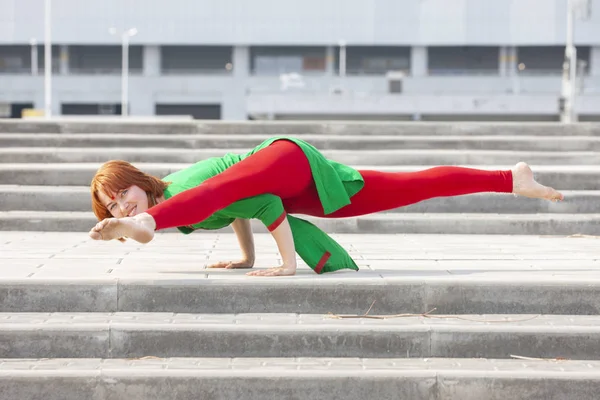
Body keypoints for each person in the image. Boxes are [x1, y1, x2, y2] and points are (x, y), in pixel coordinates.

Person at [89, 136, 563, 277]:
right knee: (411, 186)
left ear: (138, 183)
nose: (120, 208)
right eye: (113, 209)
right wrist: (248, 257)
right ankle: (508, 178)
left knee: (208, 195)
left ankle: (153, 227)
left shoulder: (182, 187)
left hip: (282, 161)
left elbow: (258, 198)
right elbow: (240, 209)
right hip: (313, 187)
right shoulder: (182, 200)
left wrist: (287, 264)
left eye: (123, 197)